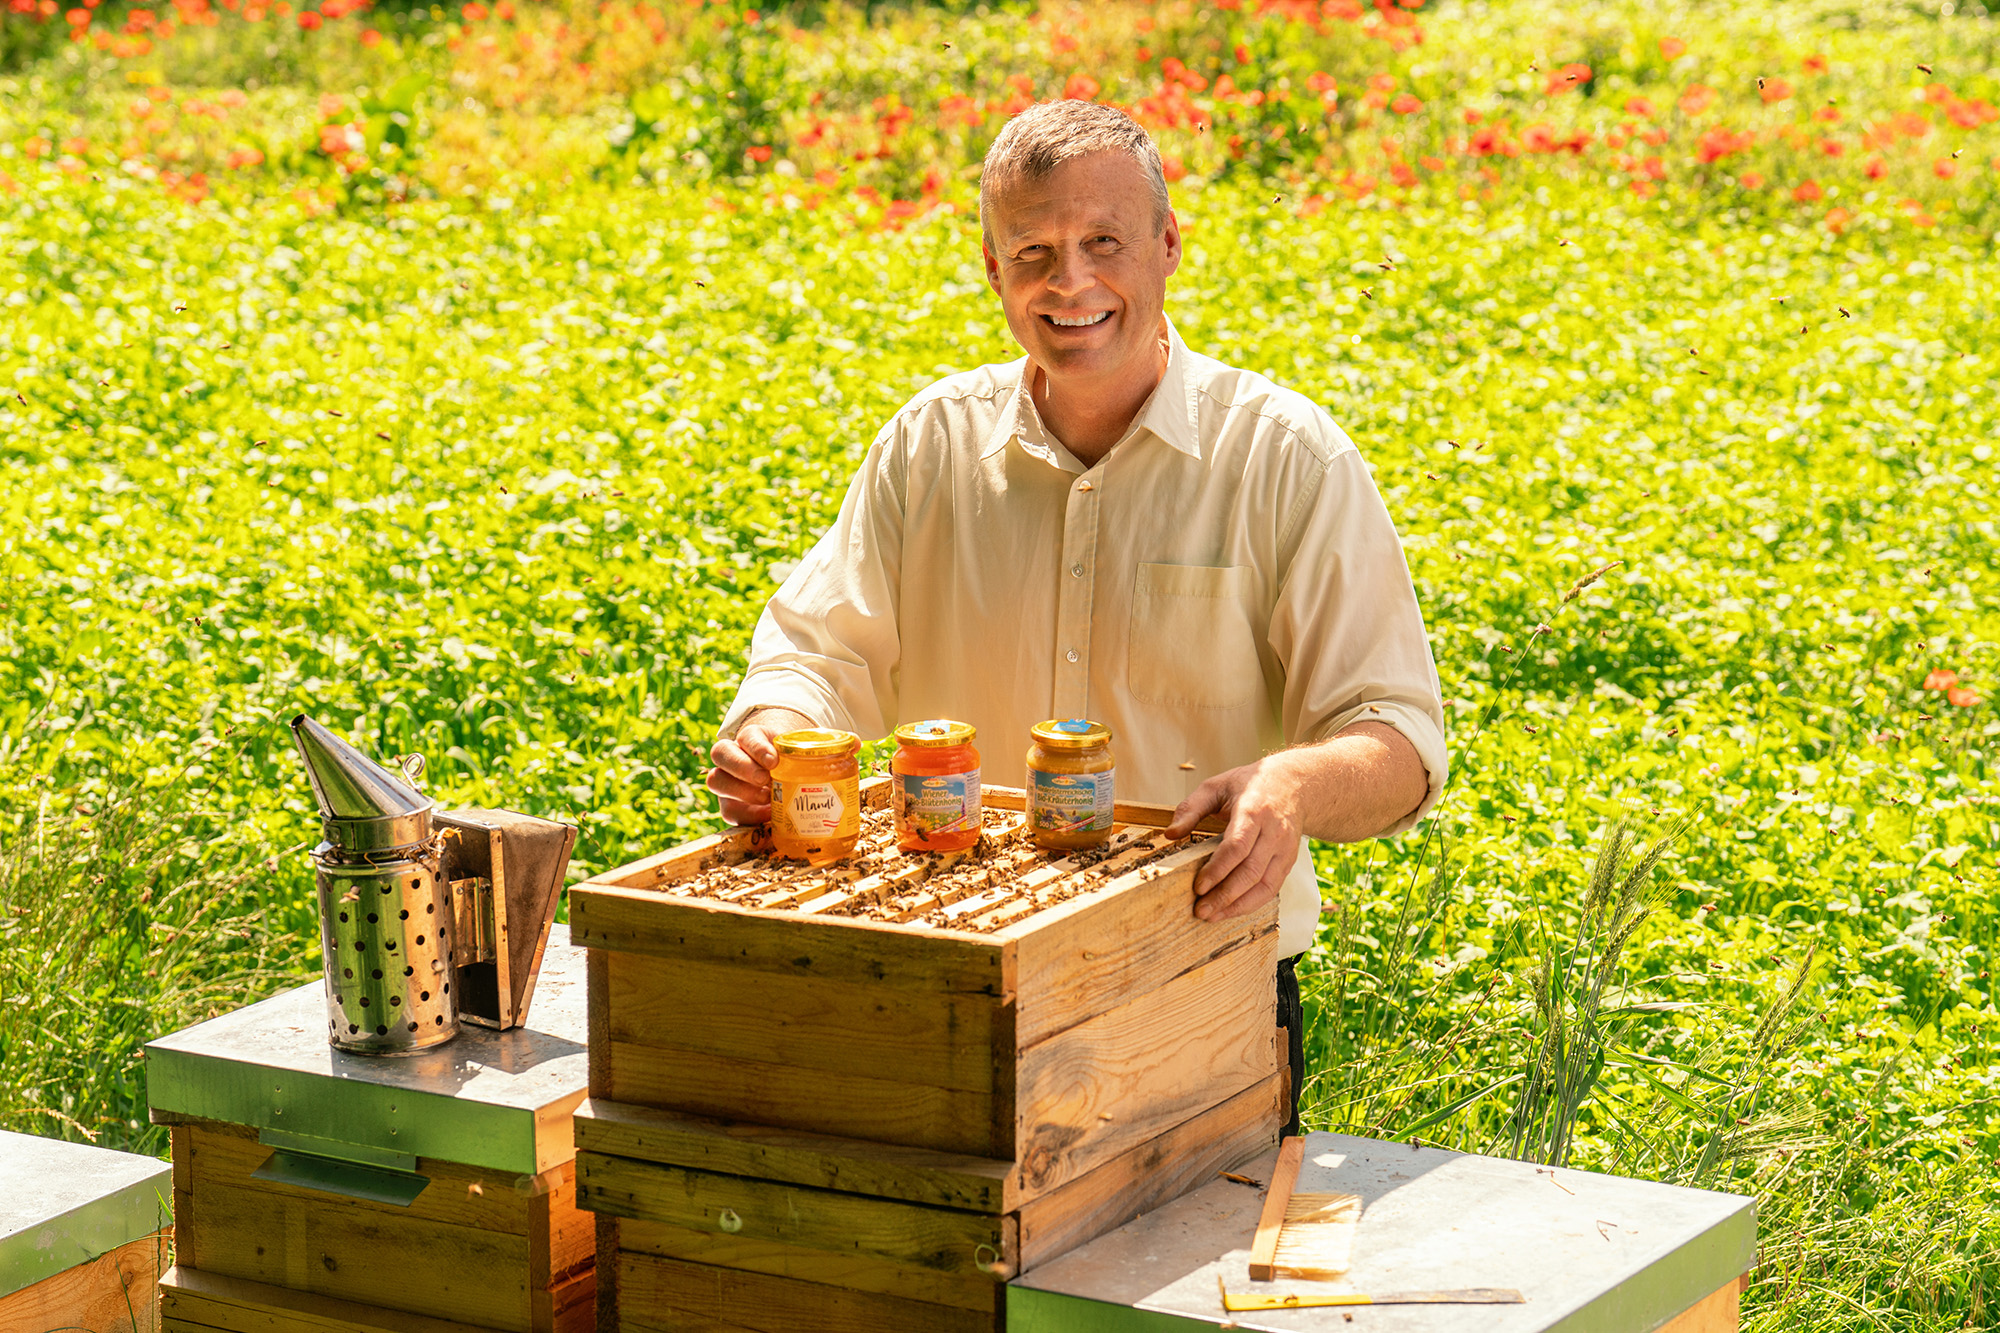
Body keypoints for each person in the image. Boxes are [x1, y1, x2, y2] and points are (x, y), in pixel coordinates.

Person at [706, 99, 1447, 1136]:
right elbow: (814, 652)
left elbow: (1398, 740)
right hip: (945, 981)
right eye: (1033, 251)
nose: (1070, 283)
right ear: (990, 267)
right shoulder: (928, 446)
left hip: (1198, 981)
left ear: (1167, 246)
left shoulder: (1284, 458)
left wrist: (1290, 785)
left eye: (1103, 242)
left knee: (1166, 1293)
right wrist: (770, 736)